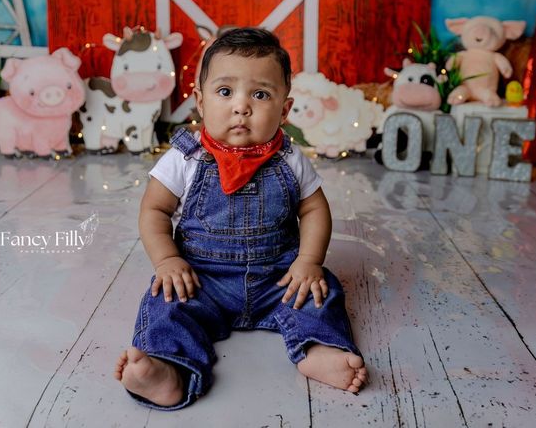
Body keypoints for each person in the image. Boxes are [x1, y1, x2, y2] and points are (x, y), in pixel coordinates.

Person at [114, 27, 367, 409]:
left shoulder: (289, 159)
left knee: (320, 291)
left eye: (260, 94)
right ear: (200, 101)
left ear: (284, 109)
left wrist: (308, 262)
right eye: (225, 91)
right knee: (165, 302)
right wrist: (168, 260)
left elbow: (314, 209)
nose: (241, 106)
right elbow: (154, 210)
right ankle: (168, 368)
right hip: (201, 278)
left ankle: (318, 350)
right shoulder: (186, 157)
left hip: (278, 278)